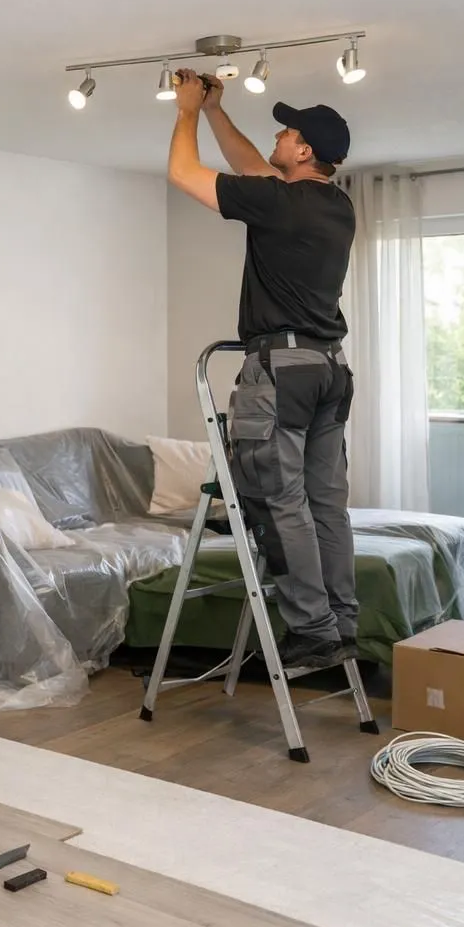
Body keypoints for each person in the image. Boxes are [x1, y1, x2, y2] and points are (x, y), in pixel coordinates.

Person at [165, 68, 359, 670]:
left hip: (282, 369)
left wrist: (189, 110)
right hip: (330, 369)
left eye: (286, 134)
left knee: (280, 499)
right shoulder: (333, 205)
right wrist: (221, 110)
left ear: (304, 152)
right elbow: (255, 168)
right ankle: (342, 622)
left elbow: (182, 174)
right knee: (327, 505)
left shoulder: (280, 203)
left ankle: (312, 629)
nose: (276, 140)